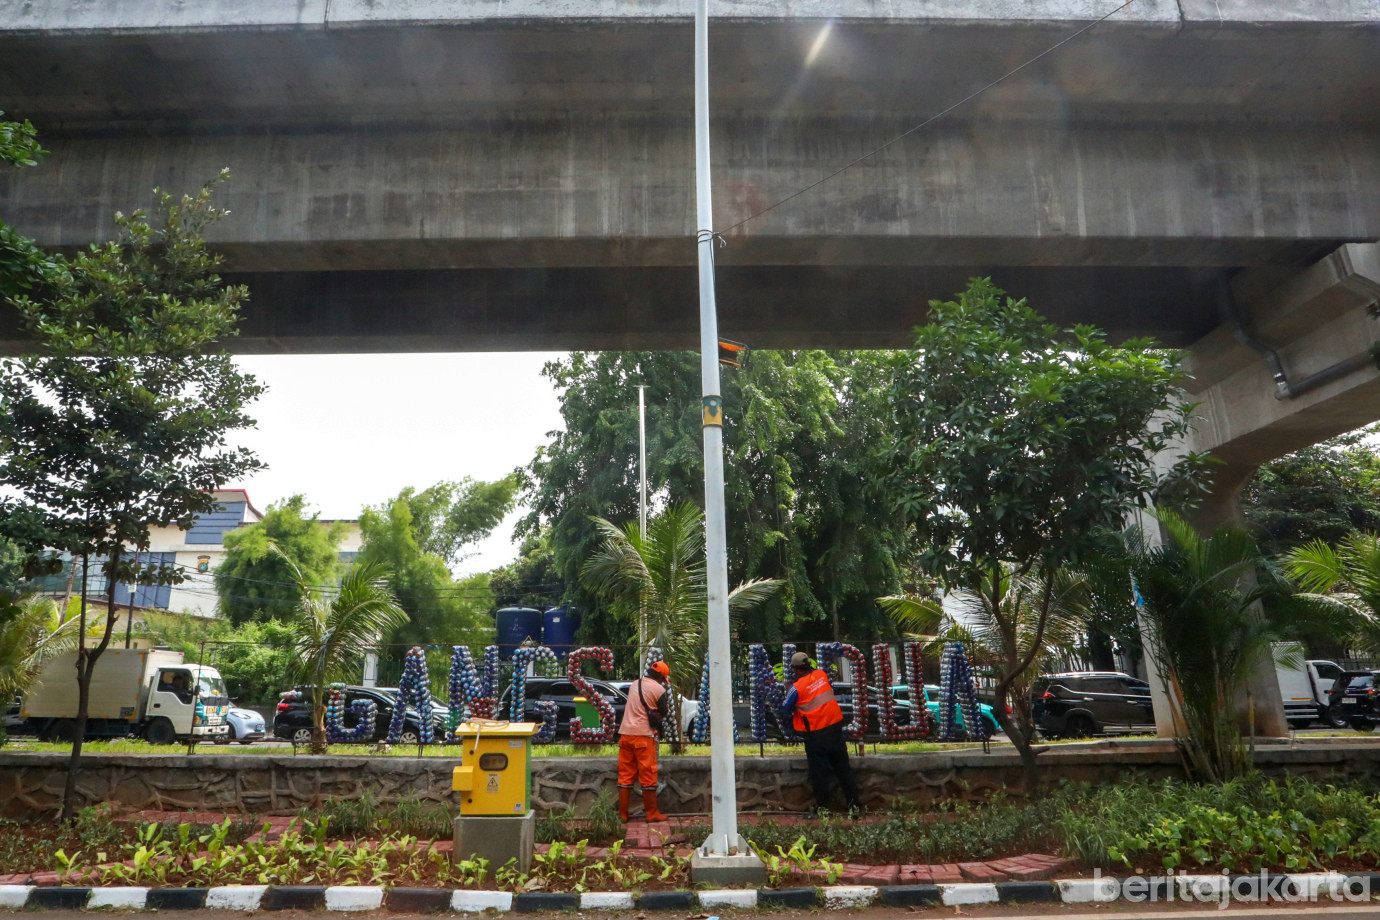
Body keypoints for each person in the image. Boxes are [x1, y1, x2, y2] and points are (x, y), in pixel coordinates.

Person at [780, 651, 862, 815]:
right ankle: (855, 808)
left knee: (819, 774)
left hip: (816, 736)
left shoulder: (796, 688)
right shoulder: (821, 675)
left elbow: (786, 708)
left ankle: (823, 809)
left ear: (795, 669)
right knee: (843, 770)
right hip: (835, 731)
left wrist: (788, 689)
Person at [617, 660, 670, 822]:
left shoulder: (635, 684)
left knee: (625, 775)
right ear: (661, 677)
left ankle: (623, 814)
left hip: (625, 734)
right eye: (663, 679)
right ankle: (652, 812)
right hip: (643, 736)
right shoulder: (659, 689)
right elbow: (664, 712)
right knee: (648, 775)